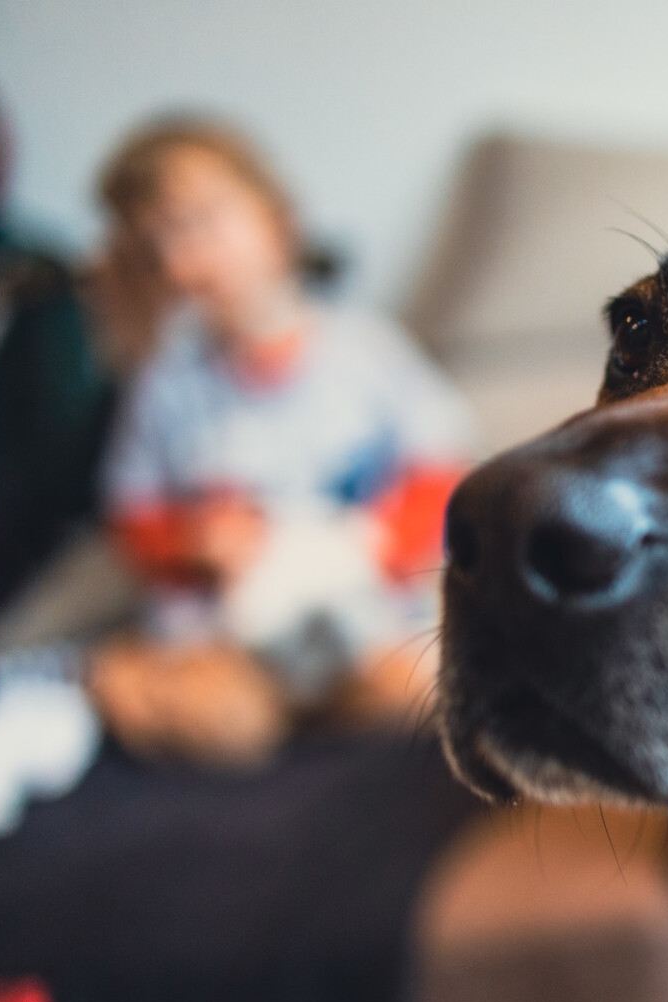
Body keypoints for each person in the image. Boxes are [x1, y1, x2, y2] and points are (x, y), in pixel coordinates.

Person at [86, 118, 475, 765]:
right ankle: (124, 678)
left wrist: (367, 544)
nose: (184, 260)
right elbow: (132, 518)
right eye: (155, 248)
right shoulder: (164, 385)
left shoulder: (364, 351)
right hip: (230, 641)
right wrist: (195, 542)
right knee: (225, 722)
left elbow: (446, 474)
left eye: (200, 223)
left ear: (275, 220)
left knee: (427, 684)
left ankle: (327, 702)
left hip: (361, 620)